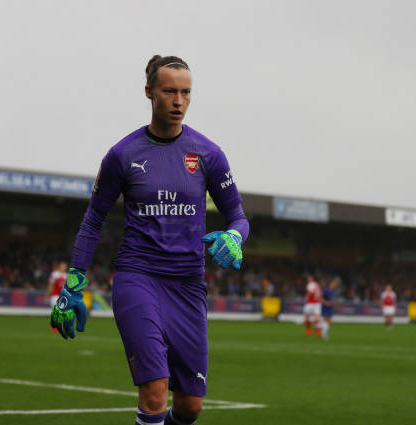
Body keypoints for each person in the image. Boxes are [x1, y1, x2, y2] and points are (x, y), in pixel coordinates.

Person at [49, 55, 249, 425]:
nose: (178, 101)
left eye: (186, 92)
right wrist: (72, 283)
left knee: (190, 407)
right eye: (169, 91)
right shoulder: (122, 155)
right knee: (155, 391)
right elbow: (93, 219)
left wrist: (235, 237)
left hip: (189, 285)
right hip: (138, 277)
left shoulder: (209, 154)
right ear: (149, 92)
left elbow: (237, 216)